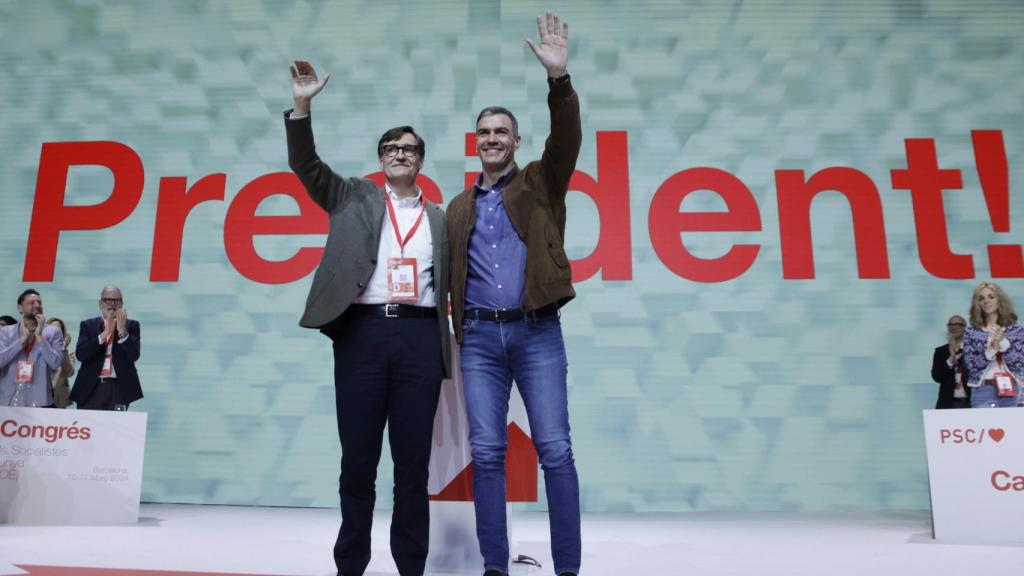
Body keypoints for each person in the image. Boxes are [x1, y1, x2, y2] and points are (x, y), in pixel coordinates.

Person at [285, 59, 451, 576]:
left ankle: (411, 567)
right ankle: (350, 564)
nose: (399, 154)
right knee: (357, 462)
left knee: (412, 466)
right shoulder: (352, 196)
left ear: (421, 160)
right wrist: (302, 107)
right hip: (362, 334)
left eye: (408, 148)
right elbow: (306, 166)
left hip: (421, 337)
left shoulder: (441, 217)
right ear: (380, 159)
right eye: (391, 148)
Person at [446, 12, 582, 576]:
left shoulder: (540, 182)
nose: (493, 140)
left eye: (502, 132)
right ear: (475, 143)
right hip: (478, 338)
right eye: (485, 133)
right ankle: (495, 567)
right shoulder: (458, 207)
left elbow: (567, 136)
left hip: (536, 332)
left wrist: (559, 80)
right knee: (487, 455)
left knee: (555, 451)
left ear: (516, 141)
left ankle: (568, 568)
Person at [69, 286, 142, 410]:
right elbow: (81, 355)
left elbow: (134, 356)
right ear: (100, 303)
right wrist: (104, 334)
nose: (112, 304)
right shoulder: (88, 325)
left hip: (118, 387)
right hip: (91, 387)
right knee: (88, 427)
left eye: (117, 300)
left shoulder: (132, 325)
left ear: (122, 304)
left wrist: (122, 331)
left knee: (115, 427)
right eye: (108, 300)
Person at [0, 289, 65, 407]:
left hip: (39, 401)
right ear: (20, 308)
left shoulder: (53, 332)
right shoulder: (5, 332)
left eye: (39, 302)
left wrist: (40, 338)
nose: (37, 305)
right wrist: (21, 341)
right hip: (8, 400)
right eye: (32, 303)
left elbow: (55, 363)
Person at [963, 282, 1024, 408]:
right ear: (977, 303)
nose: (986, 301)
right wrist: (991, 349)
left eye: (991, 296)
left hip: (1011, 388)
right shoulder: (971, 331)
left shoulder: (1017, 330)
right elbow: (971, 365)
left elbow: (1020, 363)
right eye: (981, 298)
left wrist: (1002, 342)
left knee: (1011, 428)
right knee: (984, 427)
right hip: (983, 389)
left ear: (1000, 300)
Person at [931, 315, 971, 409]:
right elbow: (937, 377)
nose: (953, 327)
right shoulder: (941, 351)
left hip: (970, 402)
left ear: (965, 327)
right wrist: (951, 359)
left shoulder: (973, 350)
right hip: (948, 403)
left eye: (957, 324)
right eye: (950, 324)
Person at [47, 317, 77, 409]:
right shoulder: (39, 348)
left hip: (59, 398)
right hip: (41, 394)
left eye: (58, 329)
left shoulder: (68, 353)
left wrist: (63, 348)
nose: (55, 332)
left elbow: (68, 373)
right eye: (52, 328)